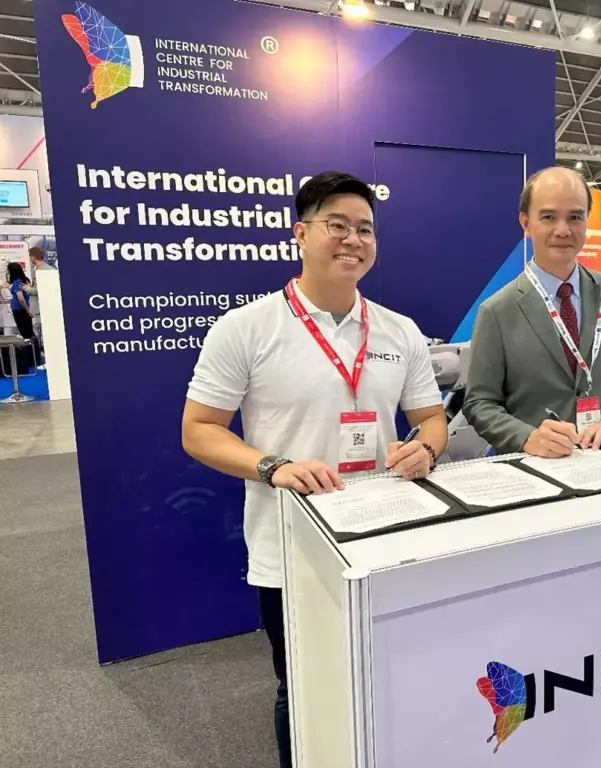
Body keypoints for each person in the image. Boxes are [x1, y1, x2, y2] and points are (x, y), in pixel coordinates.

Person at [181, 171, 447, 768]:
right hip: (293, 549)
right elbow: (198, 430)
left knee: (391, 678)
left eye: (365, 229)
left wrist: (426, 449)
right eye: (337, 225)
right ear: (301, 234)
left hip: (386, 536)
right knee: (301, 689)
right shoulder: (247, 328)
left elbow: (432, 420)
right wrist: (271, 465)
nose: (353, 239)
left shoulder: (399, 330)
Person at [463, 166, 601, 457]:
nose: (563, 230)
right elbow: (479, 403)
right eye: (548, 217)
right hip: (534, 464)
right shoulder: (497, 311)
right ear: (526, 223)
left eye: (575, 217)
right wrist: (526, 437)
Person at [22, 247, 53, 352]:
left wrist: (26, 288)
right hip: (41, 309)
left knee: (42, 337)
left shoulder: (42, 270)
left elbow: (40, 291)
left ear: (33, 257)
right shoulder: (44, 269)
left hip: (41, 309)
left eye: (30, 256)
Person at [5, 262, 35, 342]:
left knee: (25, 332)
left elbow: (20, 298)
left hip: (20, 309)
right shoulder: (24, 280)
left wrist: (27, 310)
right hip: (23, 307)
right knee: (28, 330)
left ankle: (30, 348)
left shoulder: (17, 282)